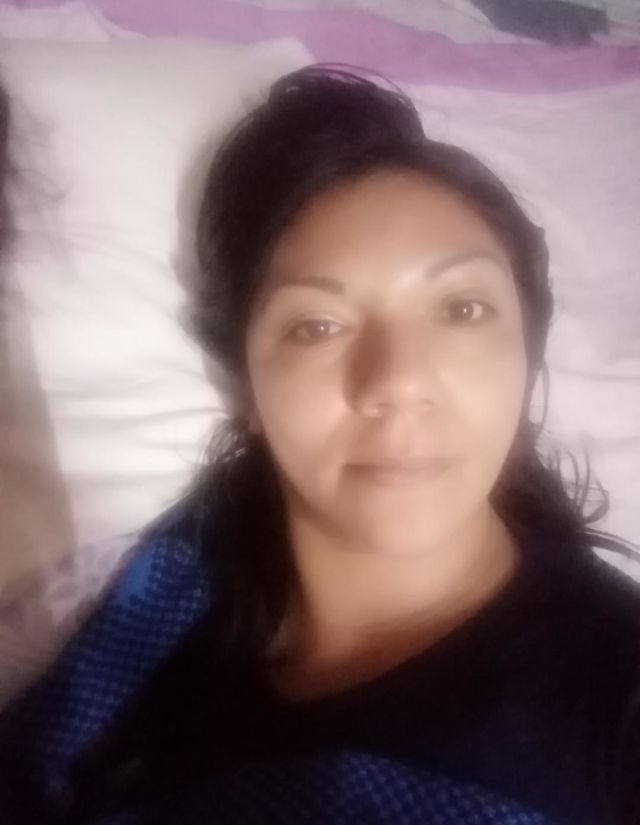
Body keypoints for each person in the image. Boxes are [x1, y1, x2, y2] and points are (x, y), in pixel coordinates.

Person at [0, 65, 638, 825]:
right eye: (317, 326)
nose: (397, 380)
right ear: (248, 392)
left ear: (527, 354)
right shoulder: (173, 590)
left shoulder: (618, 698)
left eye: (462, 309)